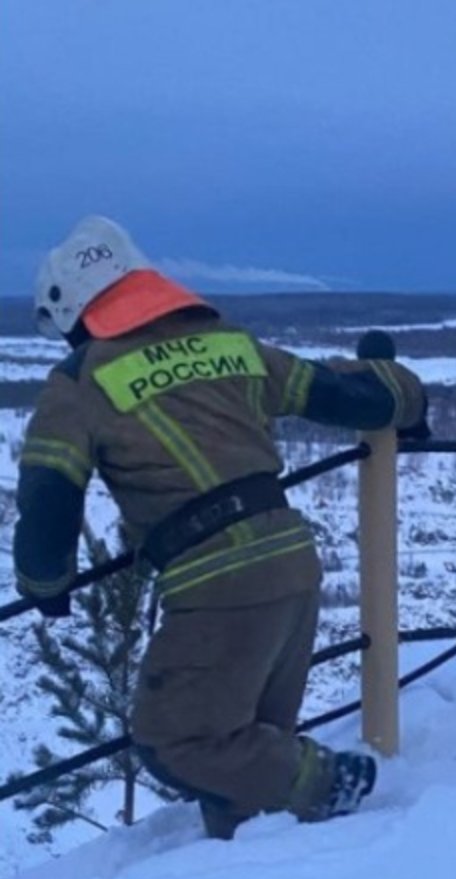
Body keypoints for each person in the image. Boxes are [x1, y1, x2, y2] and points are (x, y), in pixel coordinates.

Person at [12, 215, 428, 839]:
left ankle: (332, 781)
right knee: (250, 764)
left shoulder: (79, 382)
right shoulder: (228, 343)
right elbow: (345, 398)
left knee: (176, 738)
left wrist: (44, 582)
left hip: (216, 580)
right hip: (293, 562)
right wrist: (404, 394)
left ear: (72, 310)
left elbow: (49, 496)